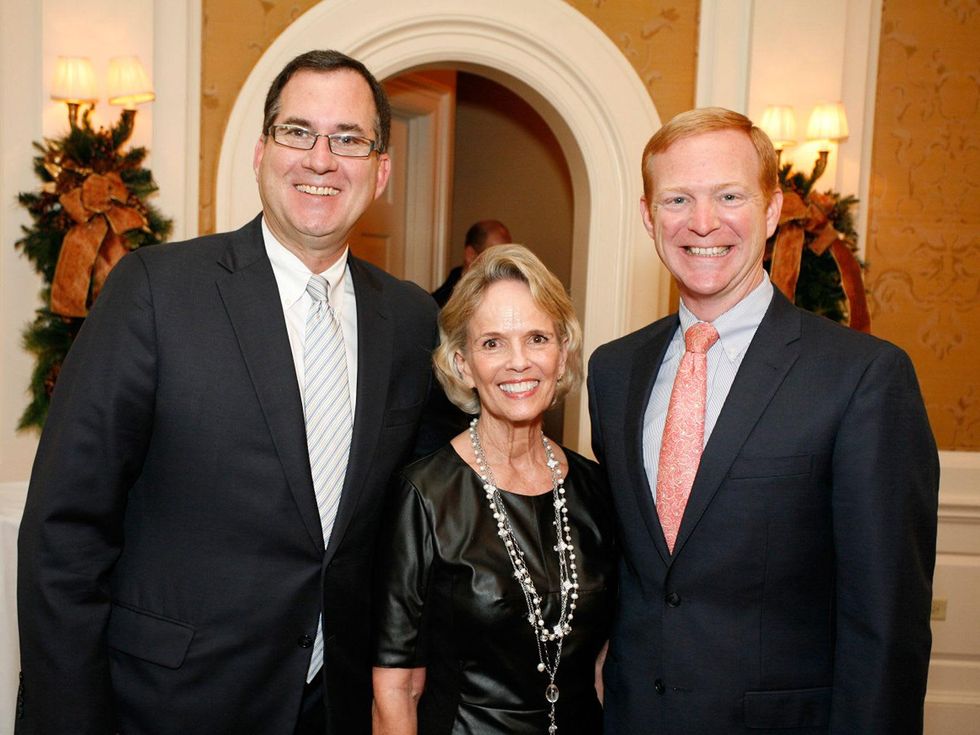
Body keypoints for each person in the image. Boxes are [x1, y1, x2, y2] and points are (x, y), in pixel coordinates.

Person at [17, 50, 447, 734]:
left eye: (349, 139)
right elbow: (65, 532)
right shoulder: (155, 291)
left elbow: (427, 514)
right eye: (298, 131)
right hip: (168, 704)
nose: (321, 158)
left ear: (382, 169)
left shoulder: (411, 319)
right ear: (261, 151)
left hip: (334, 709)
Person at [587, 107, 939, 734]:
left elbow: (885, 622)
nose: (702, 223)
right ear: (648, 215)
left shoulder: (862, 377)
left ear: (774, 209)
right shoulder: (614, 372)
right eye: (677, 199)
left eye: (729, 195)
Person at [373, 245, 615, 734]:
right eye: (493, 344)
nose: (519, 362)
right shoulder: (425, 495)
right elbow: (397, 689)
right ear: (462, 364)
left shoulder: (595, 488)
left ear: (562, 352)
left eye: (537, 338)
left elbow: (603, 666)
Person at [431, 219, 512, 307]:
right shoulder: (437, 307)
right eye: (496, 255)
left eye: (508, 255)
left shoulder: (512, 294)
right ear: (471, 255)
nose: (505, 263)